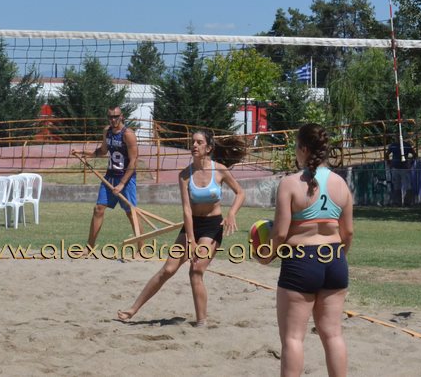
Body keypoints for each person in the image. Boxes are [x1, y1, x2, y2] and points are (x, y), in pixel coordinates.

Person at [116, 130, 245, 327]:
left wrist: (231, 213)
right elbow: (186, 209)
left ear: (208, 148)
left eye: (199, 142)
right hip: (192, 224)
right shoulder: (185, 175)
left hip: (212, 227)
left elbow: (240, 193)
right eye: (193, 142)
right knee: (167, 269)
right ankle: (133, 309)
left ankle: (201, 321)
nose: (194, 145)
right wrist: (191, 240)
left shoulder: (219, 170)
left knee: (196, 269)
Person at [260, 123, 354, 377]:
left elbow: (280, 233)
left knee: (293, 338)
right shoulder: (341, 183)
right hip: (334, 258)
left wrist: (266, 256)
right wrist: (339, 258)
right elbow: (348, 233)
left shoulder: (290, 183)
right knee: (333, 334)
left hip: (301, 259)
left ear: (303, 149)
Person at [71, 105, 139, 251]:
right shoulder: (107, 131)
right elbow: (102, 151)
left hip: (125, 179)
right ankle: (89, 248)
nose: (113, 119)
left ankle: (142, 249)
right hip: (110, 177)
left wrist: (122, 184)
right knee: (98, 209)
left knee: (131, 213)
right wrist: (82, 152)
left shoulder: (128, 134)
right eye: (110, 117)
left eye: (116, 116)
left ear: (122, 116)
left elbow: (134, 161)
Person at [385, 136, 417, 205]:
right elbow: (386, 155)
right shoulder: (393, 145)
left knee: (407, 185)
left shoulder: (406, 145)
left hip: (404, 168)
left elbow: (414, 154)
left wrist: (411, 163)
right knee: (397, 186)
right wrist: (389, 163)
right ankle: (398, 202)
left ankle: (407, 202)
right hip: (396, 168)